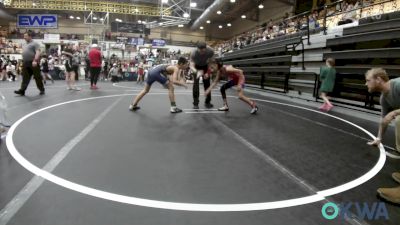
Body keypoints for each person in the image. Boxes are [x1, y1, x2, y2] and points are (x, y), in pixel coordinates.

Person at [365, 68, 400, 204]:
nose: (365, 84)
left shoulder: (398, 85)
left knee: (399, 120)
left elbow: (390, 117)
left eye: (368, 80)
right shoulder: (384, 98)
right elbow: (383, 121)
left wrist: (394, 113)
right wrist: (378, 138)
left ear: (378, 79)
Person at [14, 31, 45, 96]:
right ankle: (22, 91)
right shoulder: (24, 44)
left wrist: (35, 60)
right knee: (25, 77)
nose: (24, 37)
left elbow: (38, 52)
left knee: (37, 77)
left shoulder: (35, 44)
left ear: (30, 36)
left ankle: (42, 90)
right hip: (25, 62)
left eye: (26, 36)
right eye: (24, 36)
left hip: (33, 62)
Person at [190, 42, 214, 109]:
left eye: (203, 51)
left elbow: (211, 63)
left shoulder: (210, 51)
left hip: (205, 66)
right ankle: (195, 103)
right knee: (196, 85)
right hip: (196, 67)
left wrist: (208, 72)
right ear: (197, 49)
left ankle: (208, 102)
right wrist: (196, 72)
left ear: (206, 48)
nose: (202, 53)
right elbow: (191, 66)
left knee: (207, 84)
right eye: (200, 51)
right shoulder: (193, 53)